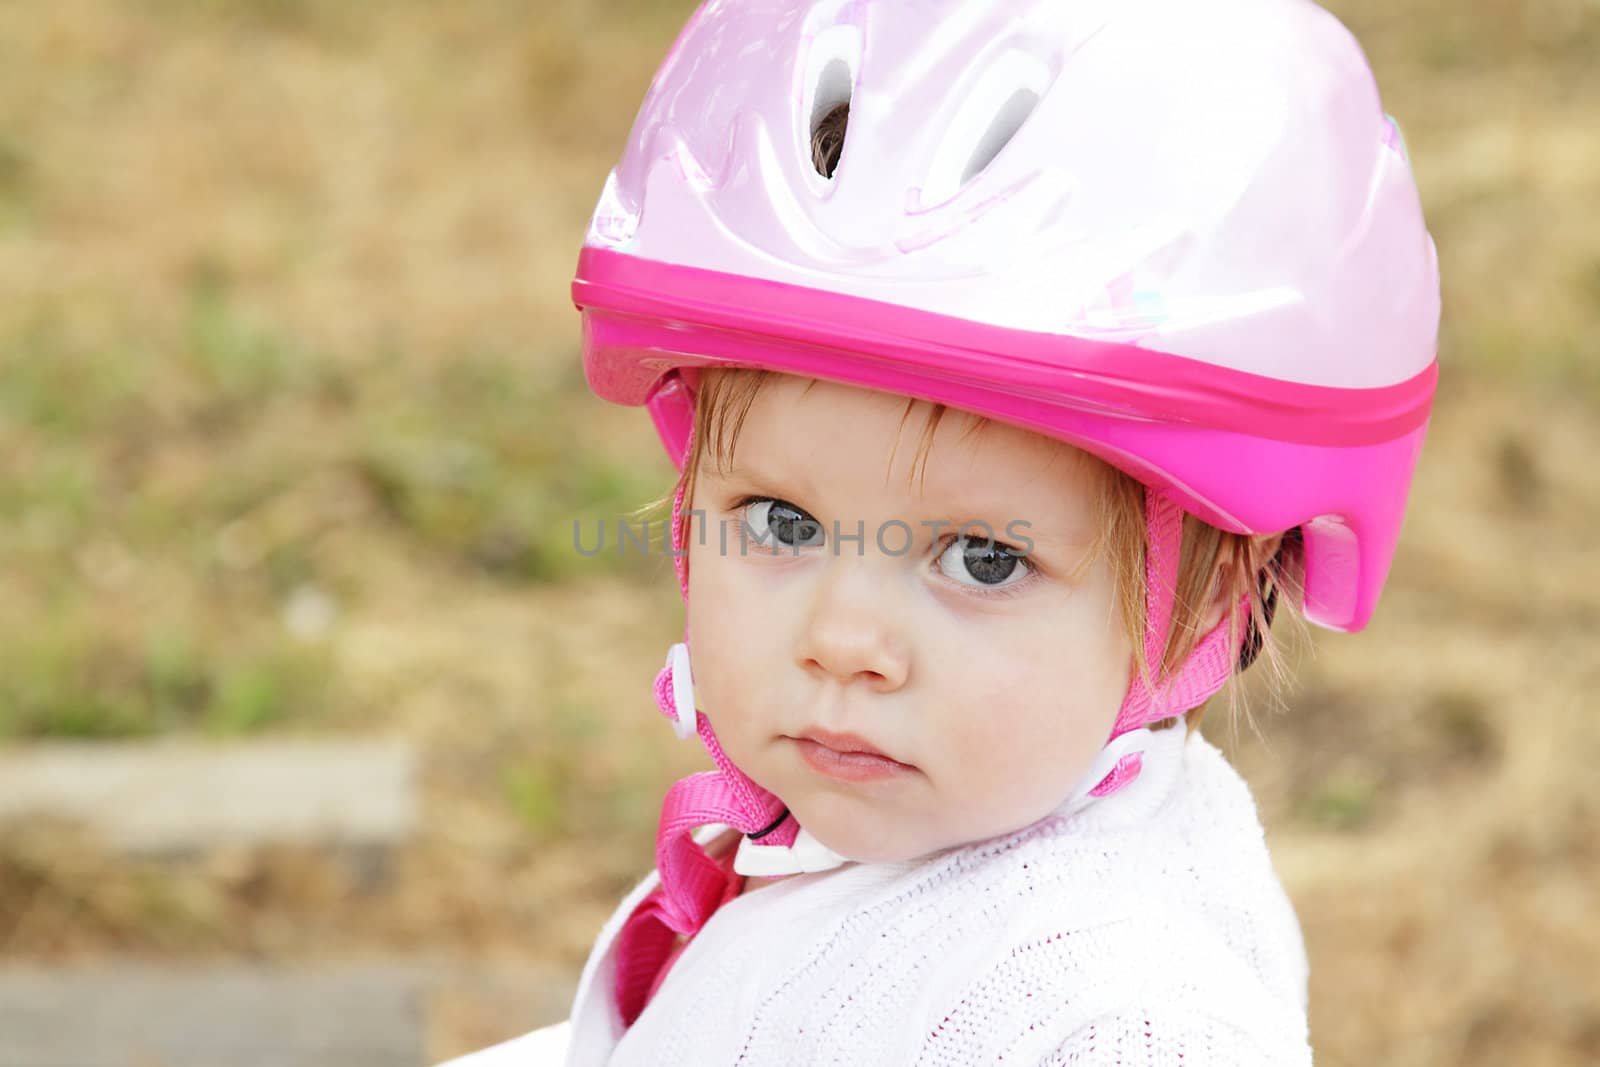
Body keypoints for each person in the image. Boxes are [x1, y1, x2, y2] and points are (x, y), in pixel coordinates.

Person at [443, 0, 1439, 1062]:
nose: (843, 639)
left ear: (1210, 607)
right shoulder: (872, 845)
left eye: (983, 558)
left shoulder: (1108, 1014)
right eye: (781, 521)